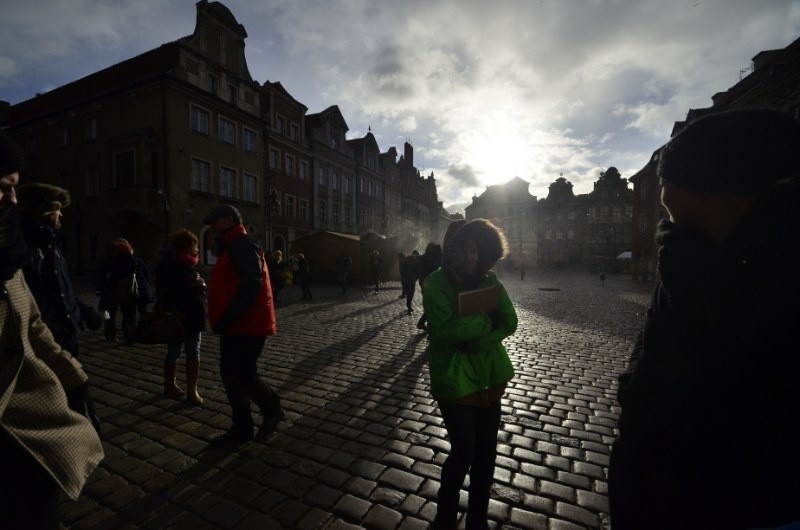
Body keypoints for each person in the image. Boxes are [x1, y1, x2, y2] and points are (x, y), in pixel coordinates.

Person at [608, 108, 800, 530]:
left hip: (747, 503)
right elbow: (654, 344)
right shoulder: (682, 248)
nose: (664, 200)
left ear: (730, 192)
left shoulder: (781, 274)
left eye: (673, 186)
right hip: (652, 481)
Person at [1, 128, 104, 528]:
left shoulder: (20, 249)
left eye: (15, 188)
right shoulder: (23, 247)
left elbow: (36, 313)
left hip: (55, 349)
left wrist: (75, 379)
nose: (11, 197)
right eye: (4, 186)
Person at [424, 219, 518, 529]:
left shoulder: (489, 279)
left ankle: (477, 517)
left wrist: (477, 337)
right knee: (464, 450)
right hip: (453, 380)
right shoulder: (436, 284)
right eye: (467, 250)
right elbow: (444, 330)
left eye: (477, 251)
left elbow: (509, 321)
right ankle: (446, 515)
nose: (472, 258)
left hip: (489, 378)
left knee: (487, 454)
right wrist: (484, 323)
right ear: (453, 250)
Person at [204, 204, 284, 446]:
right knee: (230, 374)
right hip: (236, 323)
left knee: (243, 375)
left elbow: (251, 284)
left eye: (216, 222)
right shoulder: (232, 245)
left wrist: (229, 315)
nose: (213, 228)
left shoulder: (242, 244)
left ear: (228, 220)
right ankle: (242, 427)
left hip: (246, 323)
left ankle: (272, 409)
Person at [16, 183, 102, 357]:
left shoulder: (52, 243)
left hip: (65, 332)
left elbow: (59, 288)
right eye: (58, 210)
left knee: (75, 381)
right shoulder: (20, 246)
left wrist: (82, 310)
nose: (61, 215)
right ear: (44, 210)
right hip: (42, 337)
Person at [155, 228, 207, 406]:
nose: (196, 249)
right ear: (186, 246)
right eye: (194, 246)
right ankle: (184, 388)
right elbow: (168, 290)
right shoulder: (177, 265)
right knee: (187, 351)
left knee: (180, 351)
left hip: (183, 315)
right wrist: (195, 285)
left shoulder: (180, 263)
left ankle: (179, 386)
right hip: (180, 315)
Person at [97, 238, 152, 342]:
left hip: (112, 292)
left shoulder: (109, 261)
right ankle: (129, 334)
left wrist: (100, 289)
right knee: (129, 314)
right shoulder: (136, 261)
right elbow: (146, 276)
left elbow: (102, 277)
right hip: (129, 293)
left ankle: (111, 335)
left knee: (110, 315)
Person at [416, 240, 444, 331]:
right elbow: (436, 267)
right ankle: (424, 324)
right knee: (433, 305)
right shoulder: (432, 258)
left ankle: (424, 324)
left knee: (431, 304)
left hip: (424, 282)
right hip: (430, 283)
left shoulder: (424, 257)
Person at [400, 250, 421, 314]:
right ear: (412, 255)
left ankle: (408, 303)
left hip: (413, 279)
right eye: (414, 255)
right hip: (407, 278)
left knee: (412, 292)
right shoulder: (407, 260)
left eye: (416, 255)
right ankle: (409, 306)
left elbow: (419, 269)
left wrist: (417, 276)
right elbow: (403, 268)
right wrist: (403, 276)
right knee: (409, 291)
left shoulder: (418, 261)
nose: (415, 256)